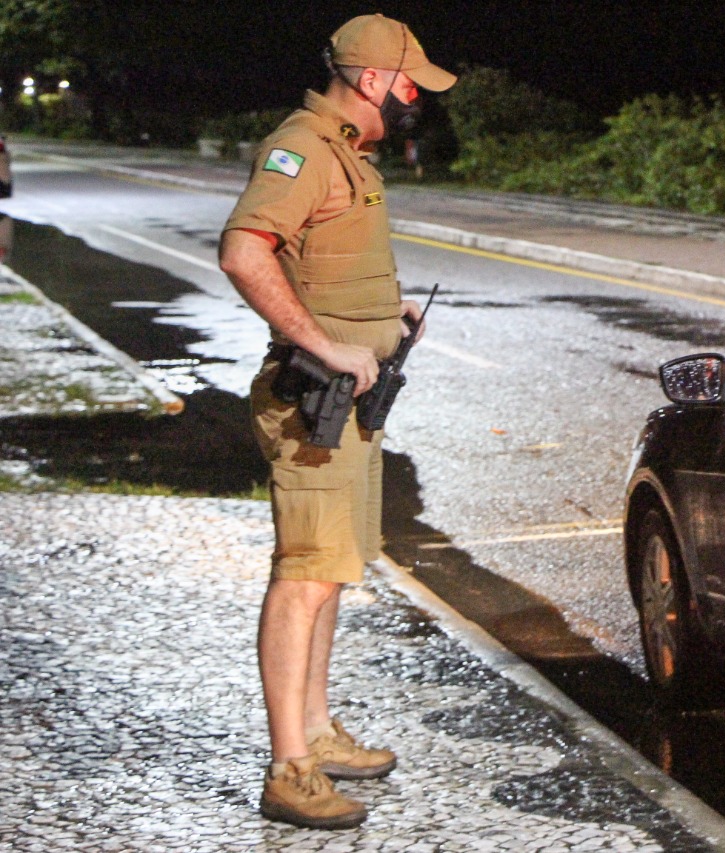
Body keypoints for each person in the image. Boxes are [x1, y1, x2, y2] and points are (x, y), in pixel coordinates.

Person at [218, 14, 455, 830]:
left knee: (335, 568)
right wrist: (324, 341)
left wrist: (382, 316)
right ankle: (289, 768)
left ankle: (316, 730)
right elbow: (244, 250)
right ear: (371, 79)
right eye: (410, 81)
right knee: (305, 572)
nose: (418, 95)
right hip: (313, 400)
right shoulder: (305, 150)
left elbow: (323, 261)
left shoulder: (348, 154)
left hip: (355, 400)